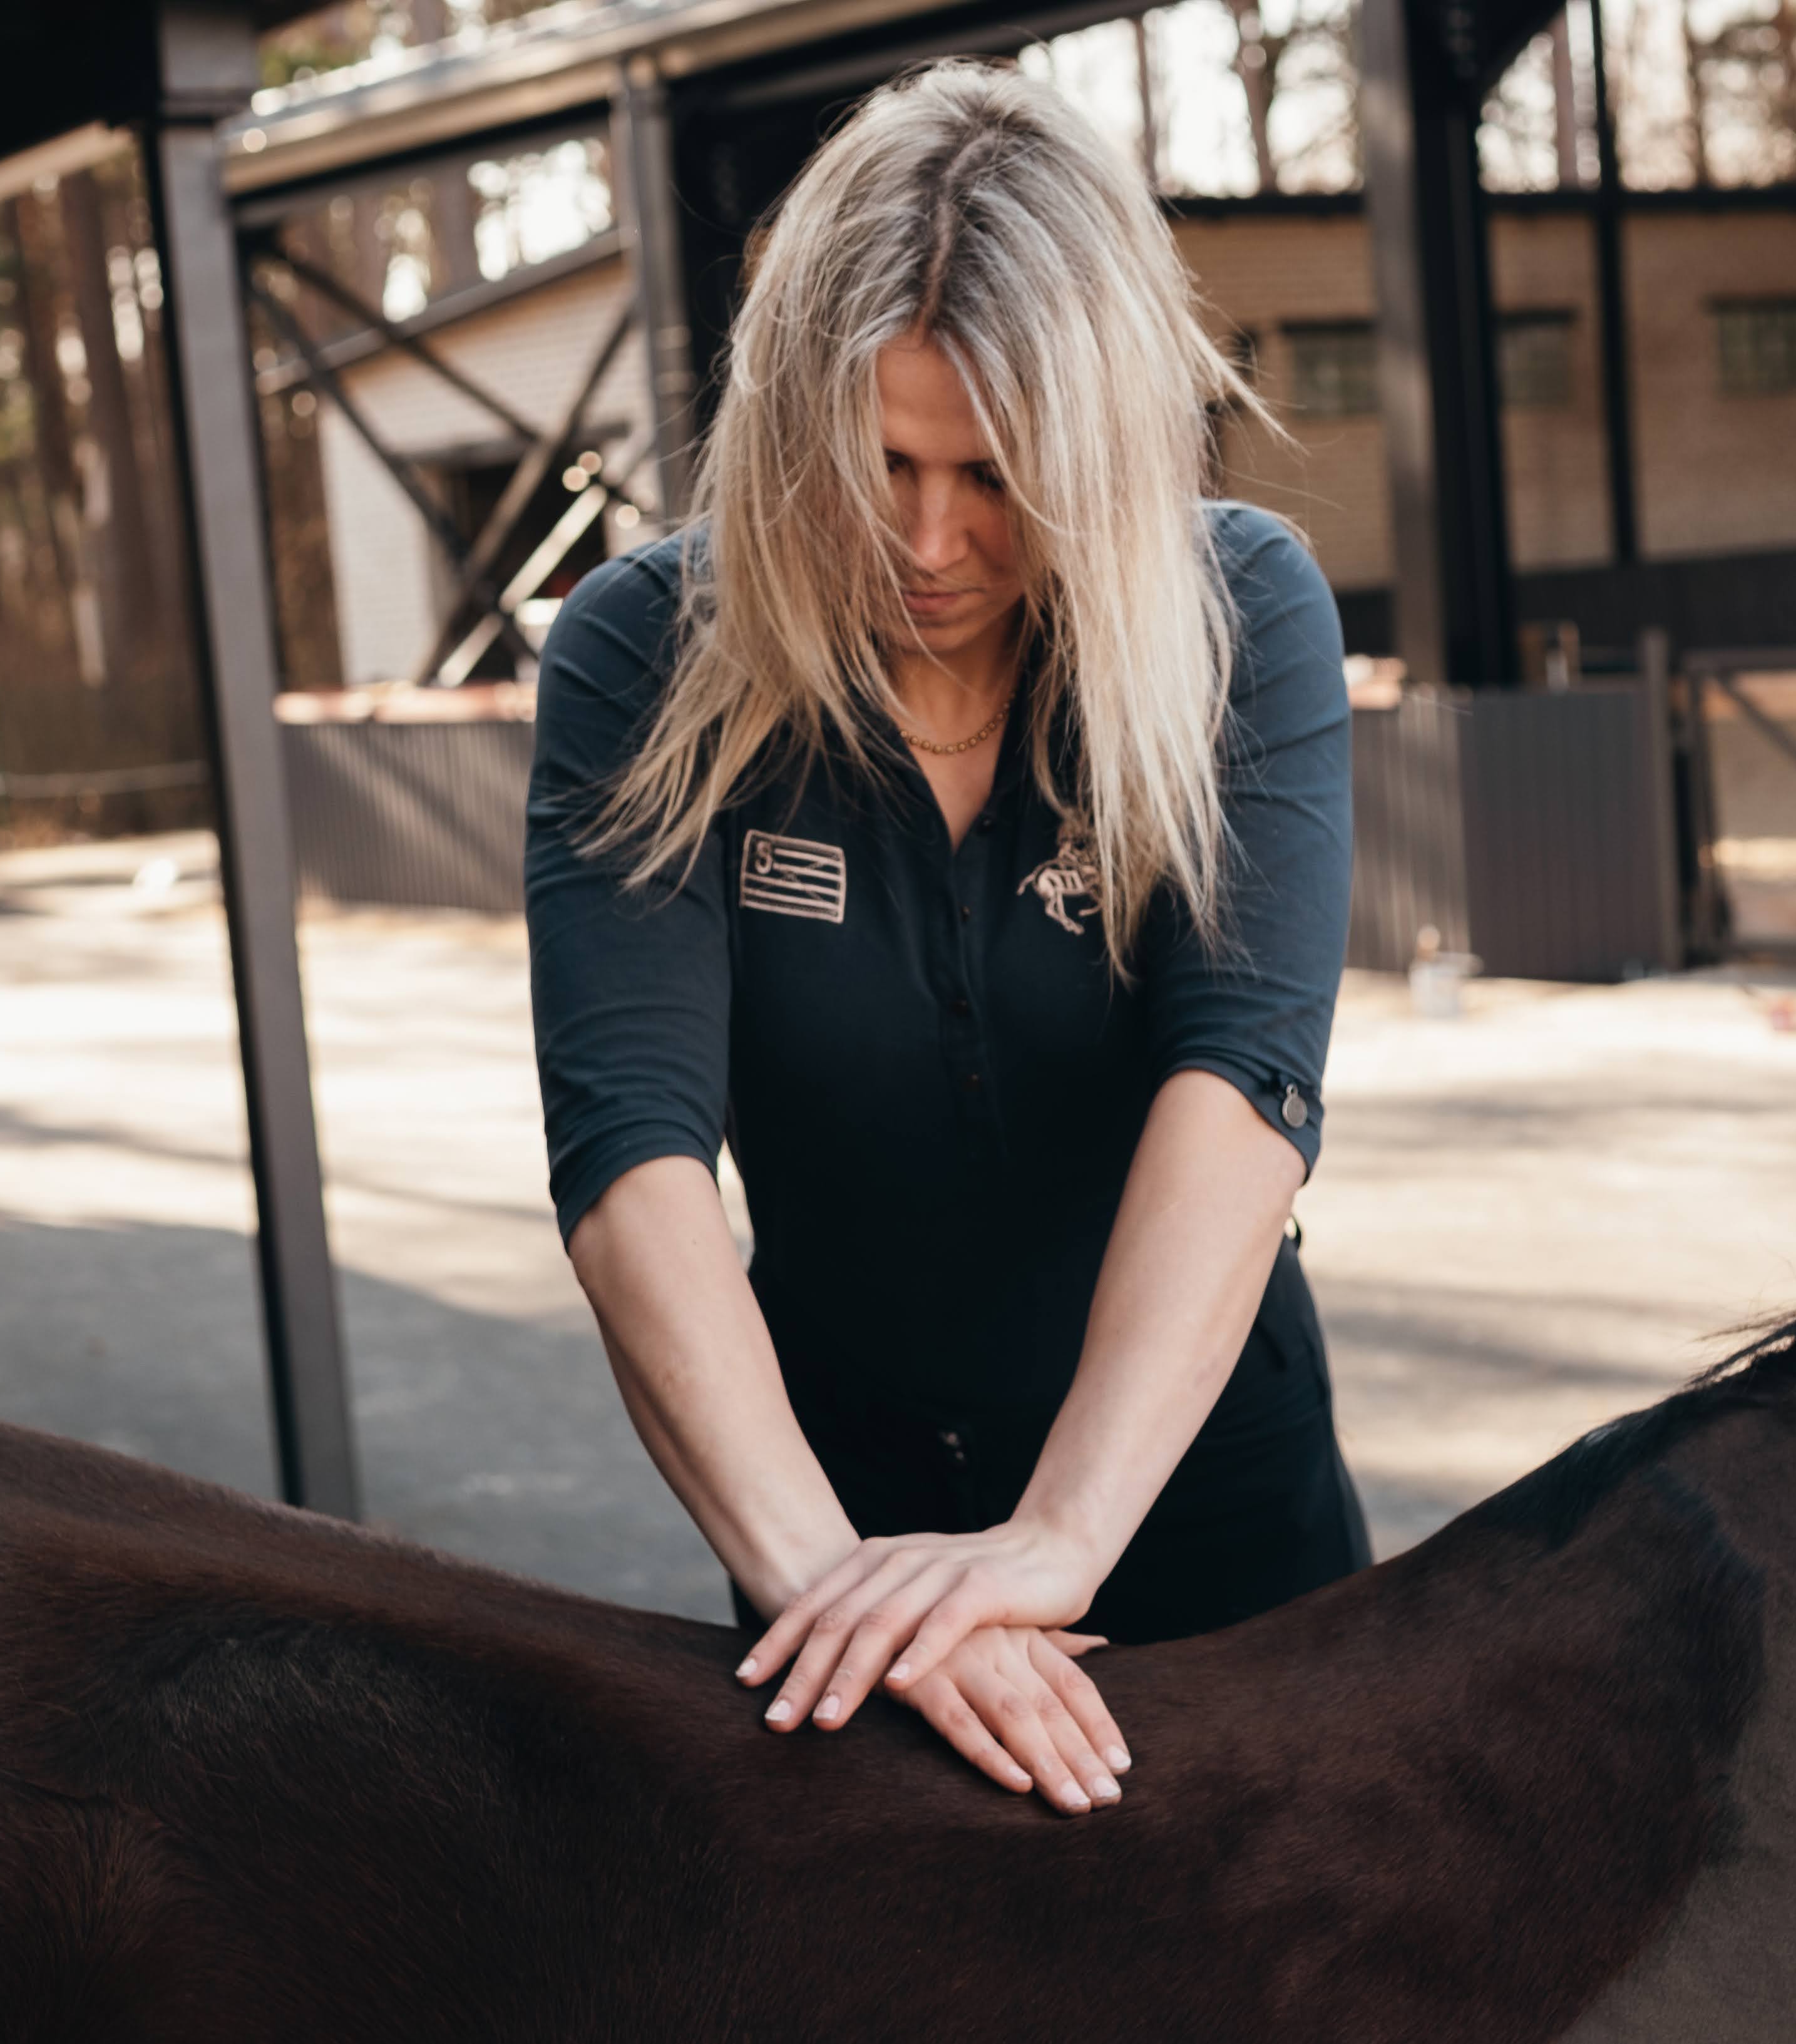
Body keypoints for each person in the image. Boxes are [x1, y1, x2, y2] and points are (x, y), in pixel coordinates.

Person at [523, 63, 1365, 1821]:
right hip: (829, 1517)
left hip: (1203, 1500)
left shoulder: (1237, 615)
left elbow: (1242, 1088)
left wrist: (1056, 1538)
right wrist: (851, 1598)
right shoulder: (641, 656)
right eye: (879, 463)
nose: (927, 541)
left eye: (994, 474)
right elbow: (630, 1160)